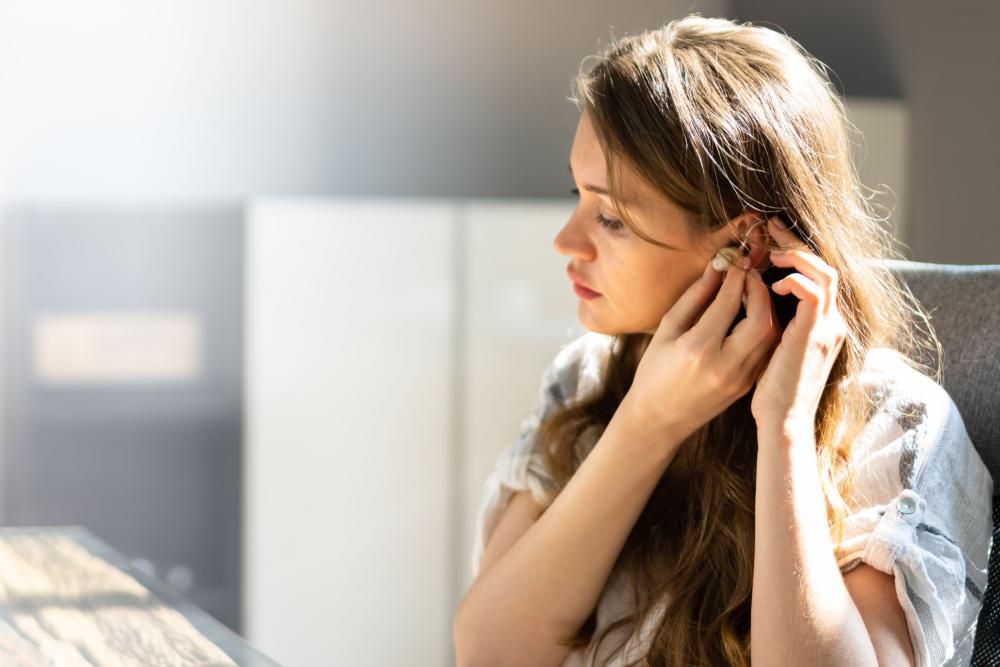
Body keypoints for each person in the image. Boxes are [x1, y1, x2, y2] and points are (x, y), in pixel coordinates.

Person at [452, 13, 993, 667]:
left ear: (746, 243)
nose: (566, 242)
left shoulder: (896, 426)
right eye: (578, 194)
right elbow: (489, 652)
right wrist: (647, 422)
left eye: (612, 217)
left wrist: (786, 428)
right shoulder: (587, 380)